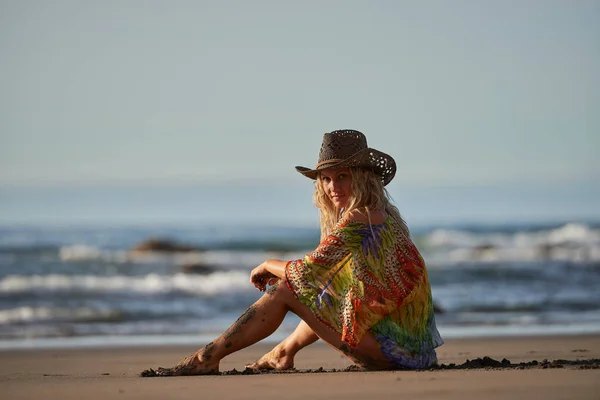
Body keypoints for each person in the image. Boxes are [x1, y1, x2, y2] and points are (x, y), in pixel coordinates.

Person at [141, 129, 443, 376]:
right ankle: (281, 353)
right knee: (327, 290)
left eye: (342, 176)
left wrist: (267, 264)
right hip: (415, 355)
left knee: (286, 289)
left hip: (393, 354)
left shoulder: (360, 218)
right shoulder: (385, 215)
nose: (332, 186)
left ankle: (207, 358)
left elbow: (306, 272)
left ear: (362, 177)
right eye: (325, 178)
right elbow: (325, 287)